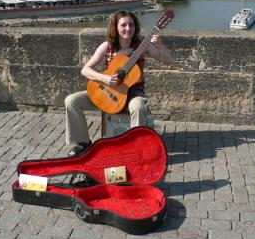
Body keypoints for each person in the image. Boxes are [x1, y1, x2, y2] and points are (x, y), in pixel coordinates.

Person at [65, 10, 174, 156]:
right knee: (71, 100)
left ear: (135, 27)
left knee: (138, 106)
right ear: (115, 27)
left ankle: (136, 146)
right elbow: (85, 70)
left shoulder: (143, 45)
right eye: (124, 25)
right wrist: (104, 78)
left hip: (133, 93)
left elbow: (169, 61)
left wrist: (160, 45)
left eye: (131, 25)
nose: (128, 28)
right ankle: (83, 143)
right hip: (107, 91)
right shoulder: (107, 46)